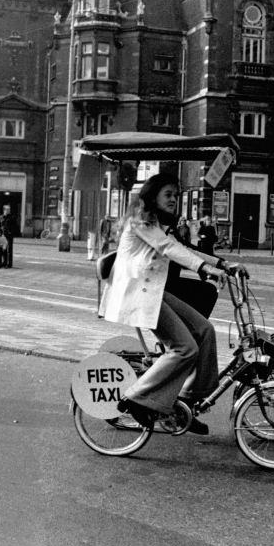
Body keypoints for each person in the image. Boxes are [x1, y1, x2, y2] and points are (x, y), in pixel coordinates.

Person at [99, 173, 246, 435]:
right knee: (185, 348)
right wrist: (204, 269)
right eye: (168, 195)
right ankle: (137, 398)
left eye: (176, 196)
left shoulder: (157, 224)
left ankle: (188, 400)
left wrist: (221, 264)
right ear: (152, 195)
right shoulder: (139, 222)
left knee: (205, 331)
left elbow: (183, 248)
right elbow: (168, 248)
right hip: (139, 296)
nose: (173, 200)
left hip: (155, 292)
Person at [0, 204, 16, 268]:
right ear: (4, 210)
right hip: (2, 235)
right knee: (3, 249)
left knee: (9, 250)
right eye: (7, 209)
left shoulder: (12, 217)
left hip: (9, 235)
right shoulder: (1, 217)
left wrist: (11, 233)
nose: (8, 211)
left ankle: (9, 263)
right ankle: (4, 262)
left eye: (9, 210)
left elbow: (14, 226)